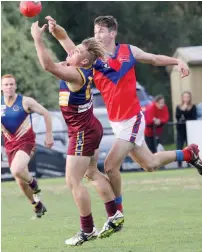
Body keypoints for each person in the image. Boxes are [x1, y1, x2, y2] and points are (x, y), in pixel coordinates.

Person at [46, 15, 202, 226]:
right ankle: (188, 153)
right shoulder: (91, 58)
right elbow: (66, 42)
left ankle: (116, 213)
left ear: (113, 33)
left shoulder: (129, 51)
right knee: (150, 164)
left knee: (110, 166)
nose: (97, 34)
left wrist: (177, 60)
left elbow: (154, 59)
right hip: (116, 122)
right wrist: (55, 29)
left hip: (132, 119)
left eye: (101, 31)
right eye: (95, 30)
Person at [31, 21, 124, 245]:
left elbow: (48, 66)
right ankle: (114, 214)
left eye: (78, 51)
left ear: (83, 60)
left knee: (72, 181)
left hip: (82, 132)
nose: (73, 50)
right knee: (91, 172)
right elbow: (66, 42)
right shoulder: (81, 63)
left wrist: (37, 38)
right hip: (90, 127)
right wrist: (56, 30)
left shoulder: (75, 73)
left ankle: (87, 229)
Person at [1, 74, 53, 218]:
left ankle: (34, 184)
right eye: (6, 84)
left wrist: (49, 135)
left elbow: (46, 113)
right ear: (1, 87)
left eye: (12, 84)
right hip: (10, 146)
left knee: (16, 170)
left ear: (16, 86)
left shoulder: (25, 101)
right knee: (20, 182)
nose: (9, 87)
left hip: (26, 143)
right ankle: (38, 206)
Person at [176, 91, 197, 167]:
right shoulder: (178, 107)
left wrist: (186, 111)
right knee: (179, 146)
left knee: (189, 147)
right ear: (182, 98)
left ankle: (189, 164)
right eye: (185, 97)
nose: (186, 99)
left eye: (188, 97)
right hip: (181, 130)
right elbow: (178, 117)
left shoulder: (193, 107)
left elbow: (193, 117)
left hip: (190, 129)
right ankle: (179, 164)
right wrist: (183, 110)